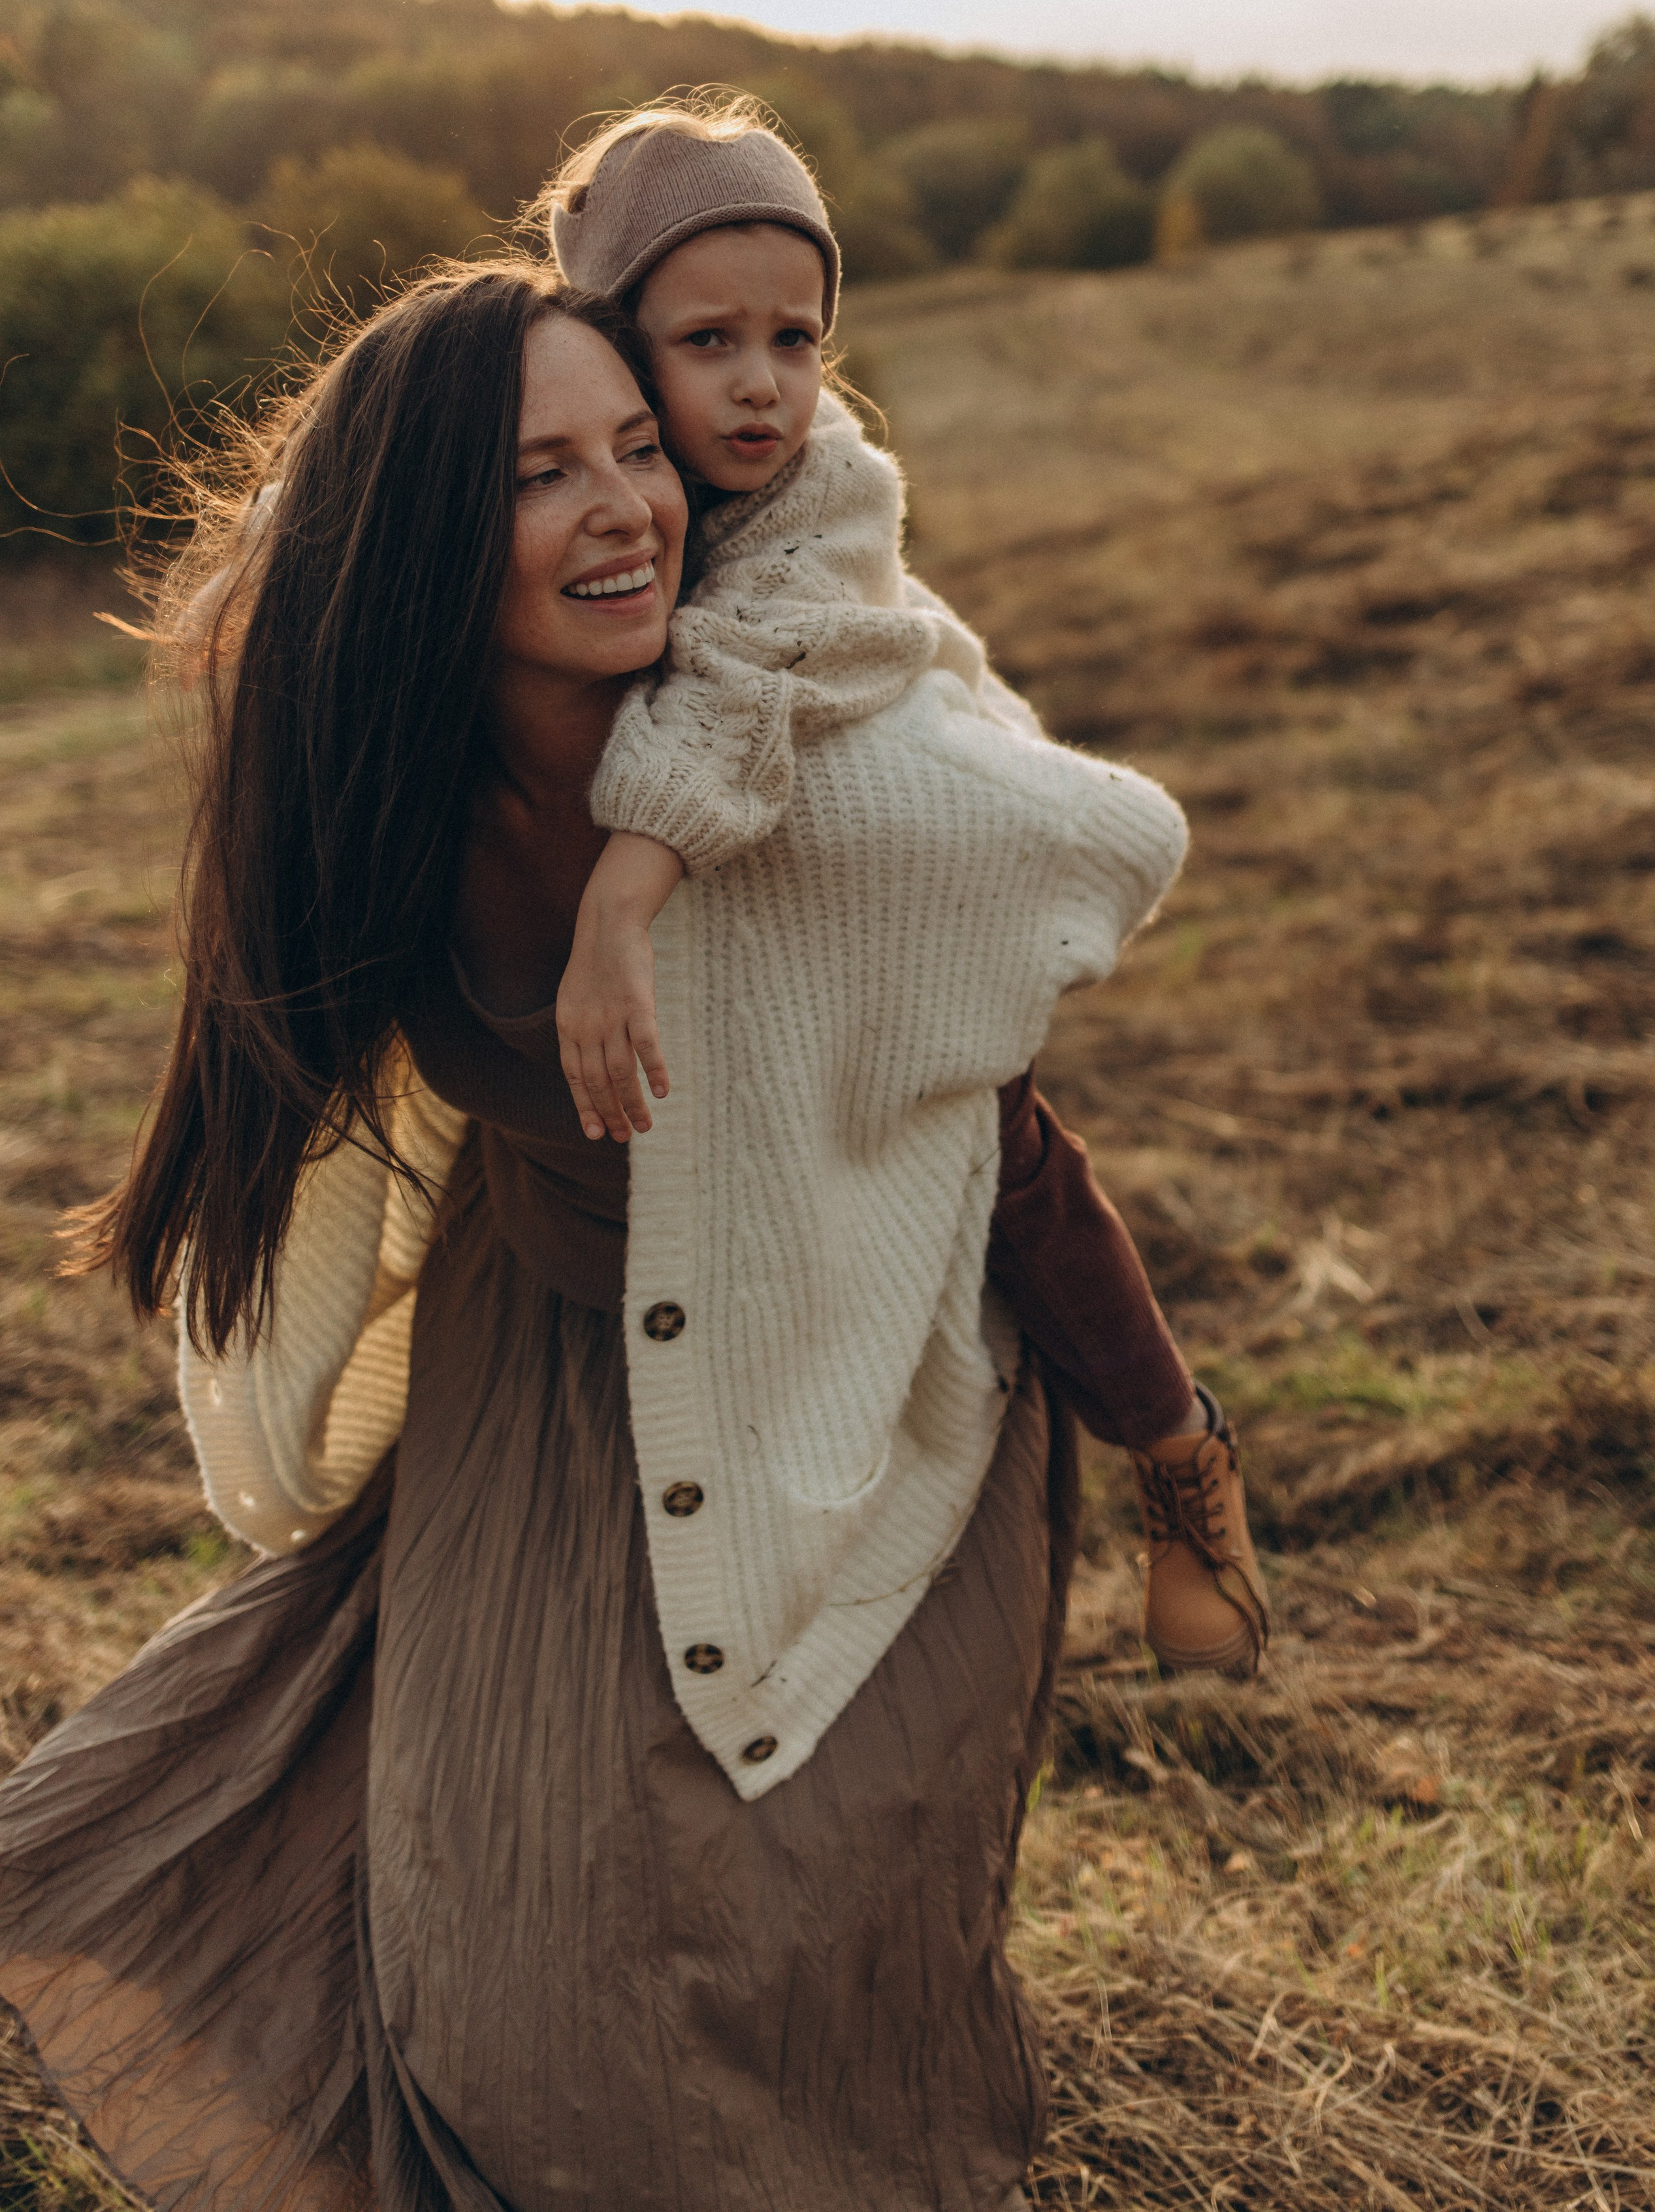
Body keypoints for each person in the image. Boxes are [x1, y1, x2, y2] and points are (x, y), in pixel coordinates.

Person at [1, 257, 1189, 2209]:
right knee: (487, 1946)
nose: (628, 505)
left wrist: (1174, 1441)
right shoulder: (386, 787)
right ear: (424, 539)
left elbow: (1007, 1141)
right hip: (537, 1378)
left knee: (752, 1947)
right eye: (541, 472)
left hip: (842, 1394)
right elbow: (274, 1044)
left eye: (640, 450)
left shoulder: (810, 798)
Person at [544, 96, 1267, 1676]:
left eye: (794, 339)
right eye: (709, 339)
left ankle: (1174, 1447)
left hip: (923, 806)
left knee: (988, 1136)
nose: (761, 384)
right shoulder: (576, 452)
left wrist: (621, 897)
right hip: (765, 829)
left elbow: (748, 672)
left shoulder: (827, 491)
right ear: (610, 338)